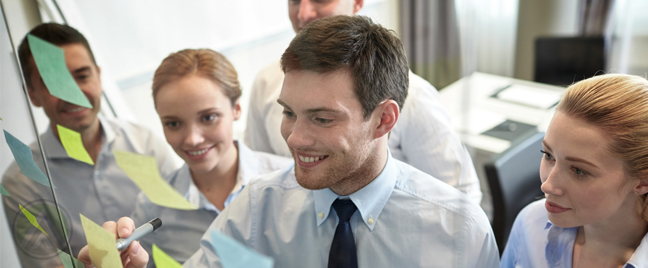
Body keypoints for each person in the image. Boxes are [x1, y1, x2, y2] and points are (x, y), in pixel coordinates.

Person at [82, 15, 499, 268]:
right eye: (288, 112)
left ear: (384, 120)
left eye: (322, 118)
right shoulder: (255, 210)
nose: (296, 138)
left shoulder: (458, 230)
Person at [245, 0, 482, 203]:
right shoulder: (267, 84)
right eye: (295, 1)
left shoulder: (415, 98)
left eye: (323, 119)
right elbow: (258, 169)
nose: (304, 13)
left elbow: (460, 195)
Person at [2, 23, 177, 267]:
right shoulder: (21, 182)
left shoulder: (144, 143)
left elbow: (181, 232)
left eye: (82, 76)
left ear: (99, 77)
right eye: (53, 81)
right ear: (32, 94)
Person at [130, 48, 291, 266]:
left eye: (208, 118)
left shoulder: (291, 179)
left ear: (236, 109)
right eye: (173, 124)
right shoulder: (153, 208)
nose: (192, 139)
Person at [501, 74, 648, 268]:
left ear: (642, 181)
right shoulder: (531, 225)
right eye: (548, 155)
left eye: (579, 170)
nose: (547, 185)